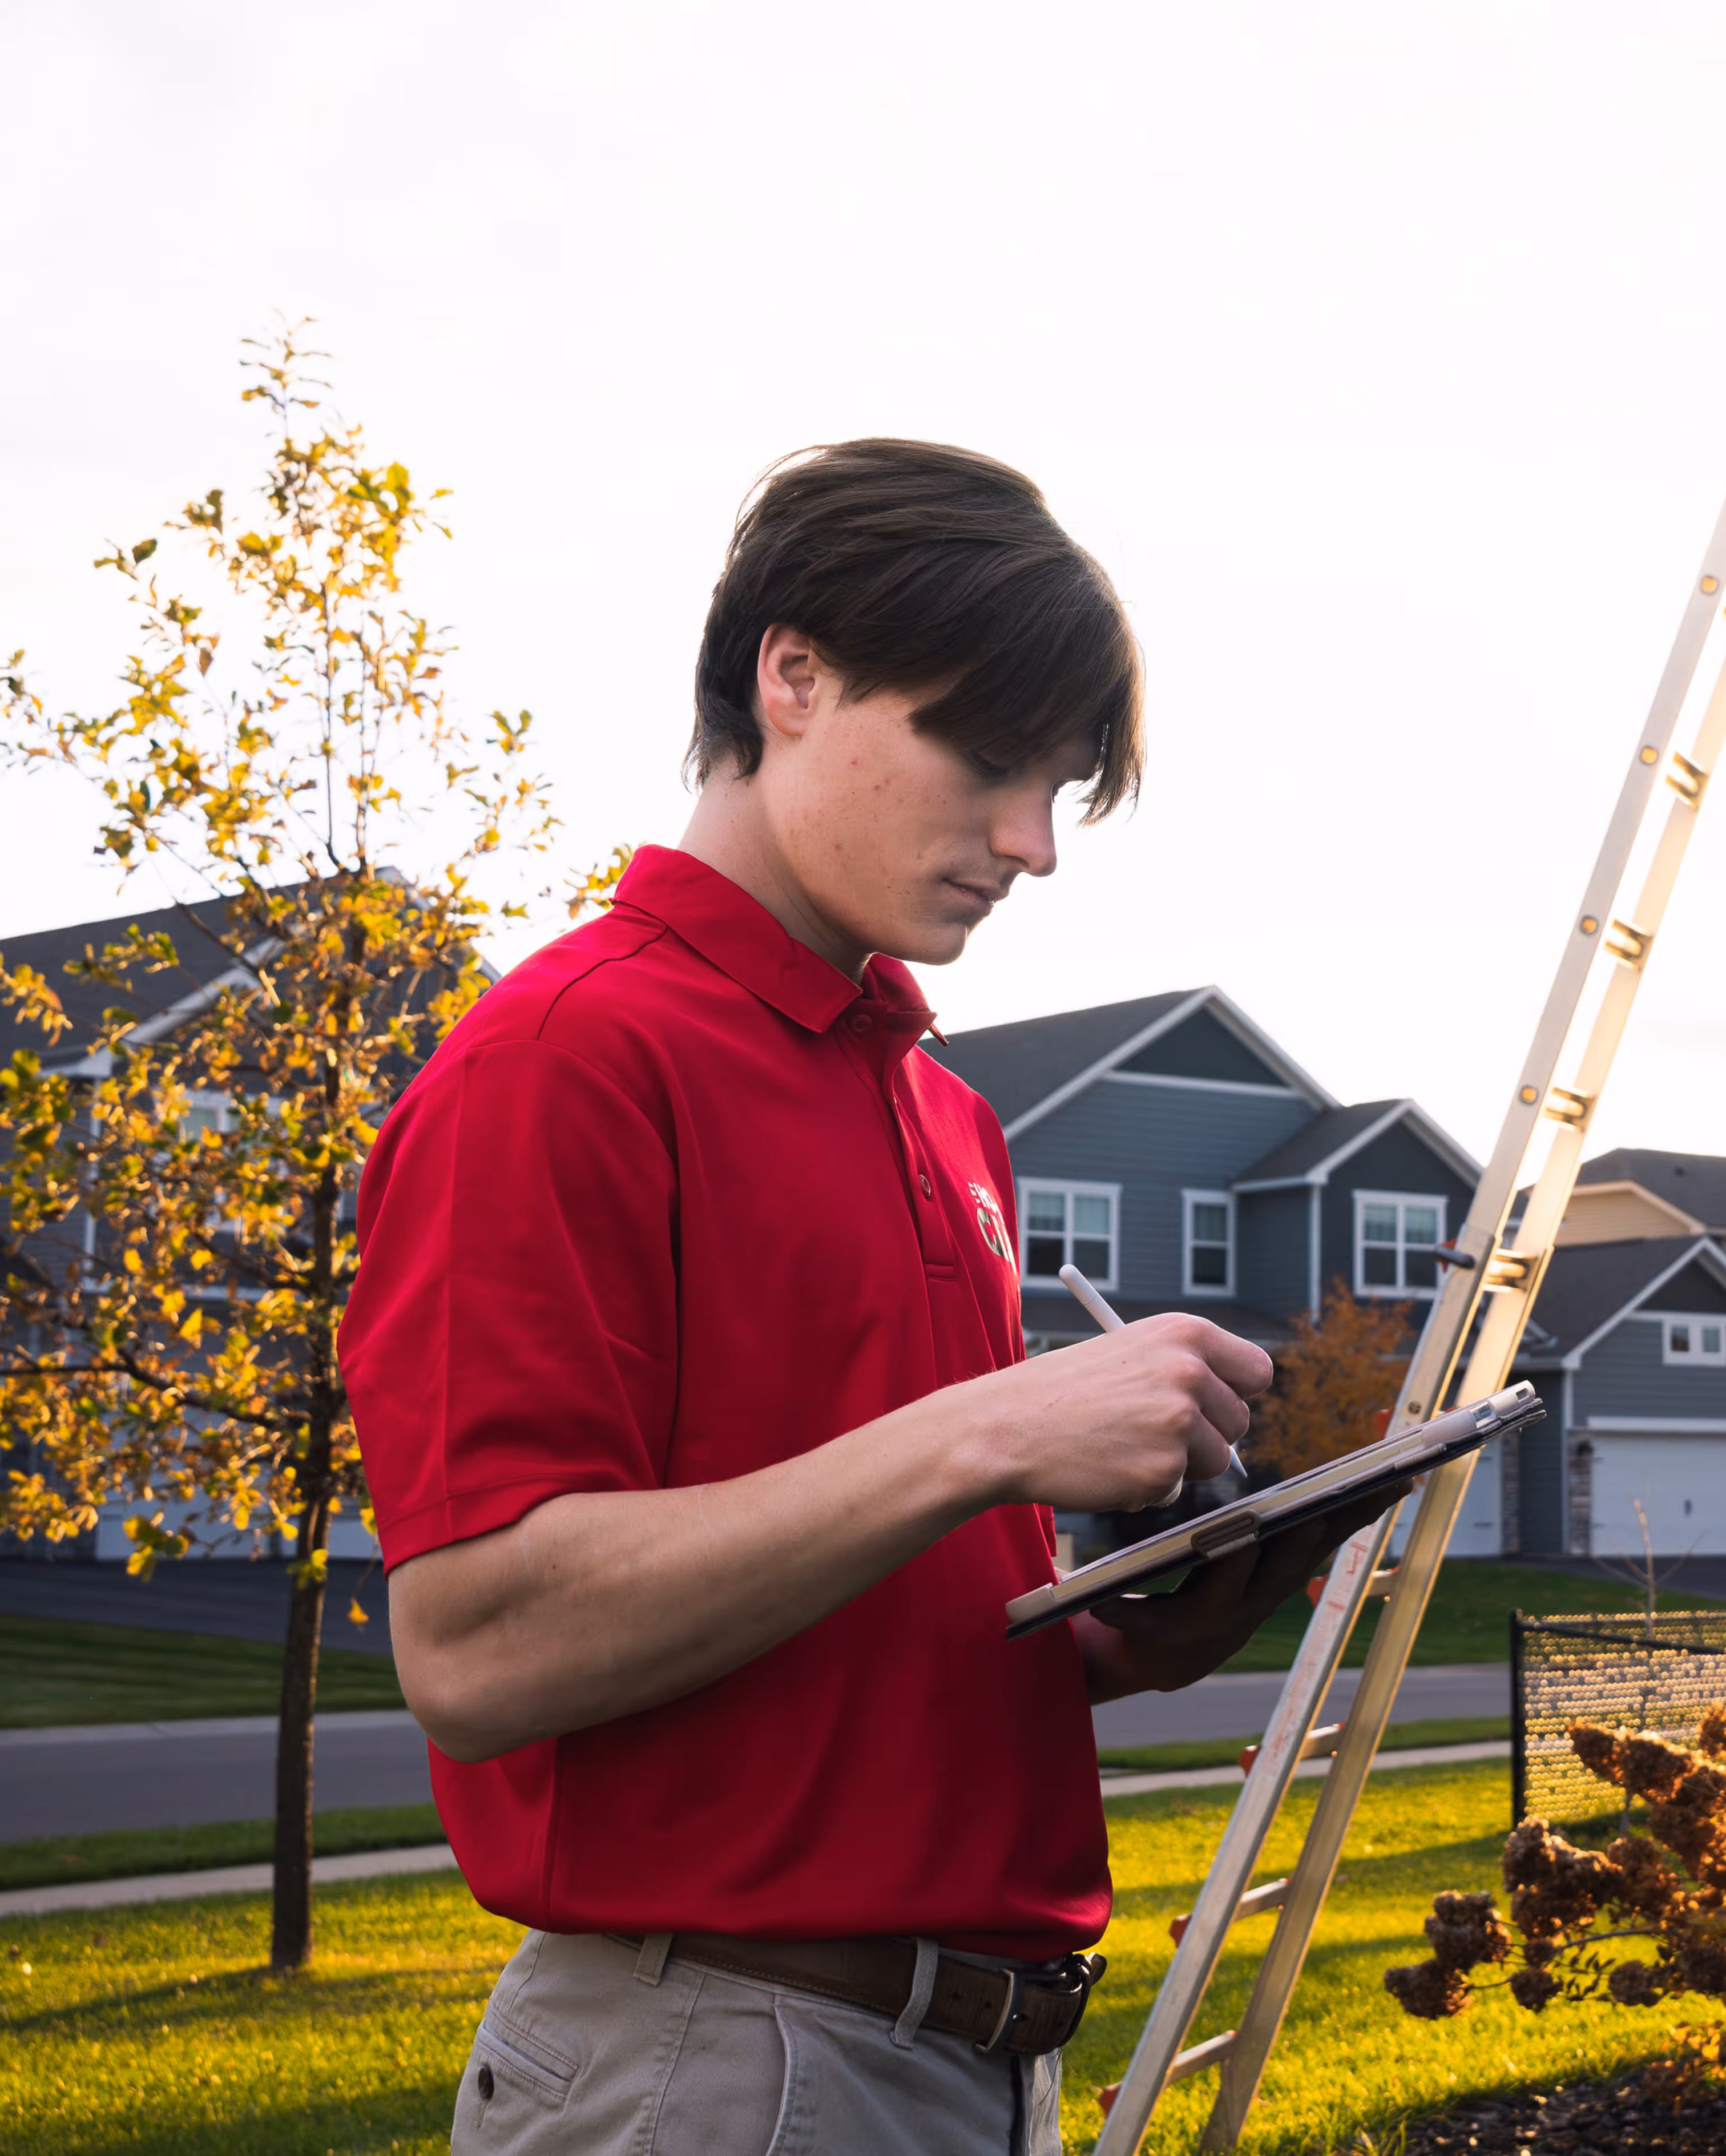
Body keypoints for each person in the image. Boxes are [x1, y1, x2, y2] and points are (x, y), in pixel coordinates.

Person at [344, 440, 1386, 2154]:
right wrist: (985, 1432)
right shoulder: (565, 1060)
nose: (1032, 844)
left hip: (971, 2061)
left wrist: (1134, 1640)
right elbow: (476, 1646)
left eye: (1060, 786)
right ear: (795, 676)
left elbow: (850, 1626)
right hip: (717, 2064)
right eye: (988, 760)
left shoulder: (942, 1110)